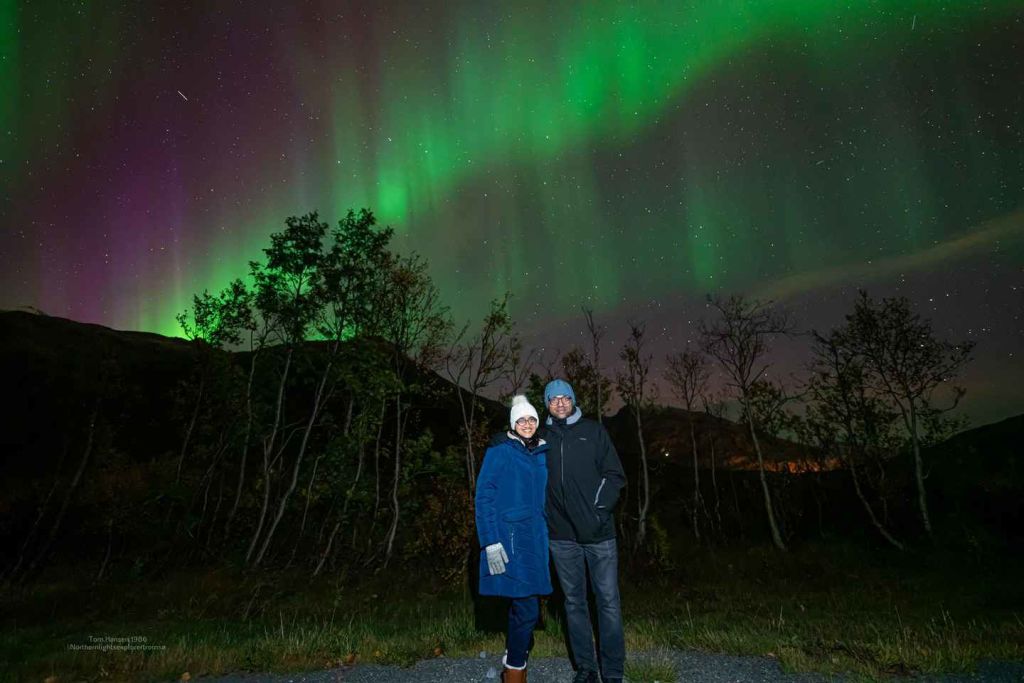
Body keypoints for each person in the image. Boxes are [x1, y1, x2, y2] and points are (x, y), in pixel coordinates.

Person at [542, 378, 627, 683]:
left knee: (608, 602)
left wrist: (598, 512)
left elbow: (615, 475)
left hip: (598, 534)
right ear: (547, 404)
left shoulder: (593, 431)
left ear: (574, 400)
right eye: (554, 399)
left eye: (565, 397)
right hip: (561, 536)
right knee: (574, 603)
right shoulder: (541, 437)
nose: (560, 403)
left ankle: (613, 672)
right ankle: (586, 668)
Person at [476, 394, 552, 683]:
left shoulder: (542, 451)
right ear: (512, 424)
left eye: (532, 419)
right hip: (510, 540)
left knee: (523, 606)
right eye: (521, 420)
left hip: (537, 538)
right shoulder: (500, 451)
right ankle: (515, 669)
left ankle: (512, 656)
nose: (527, 424)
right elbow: (484, 496)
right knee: (528, 607)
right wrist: (490, 541)